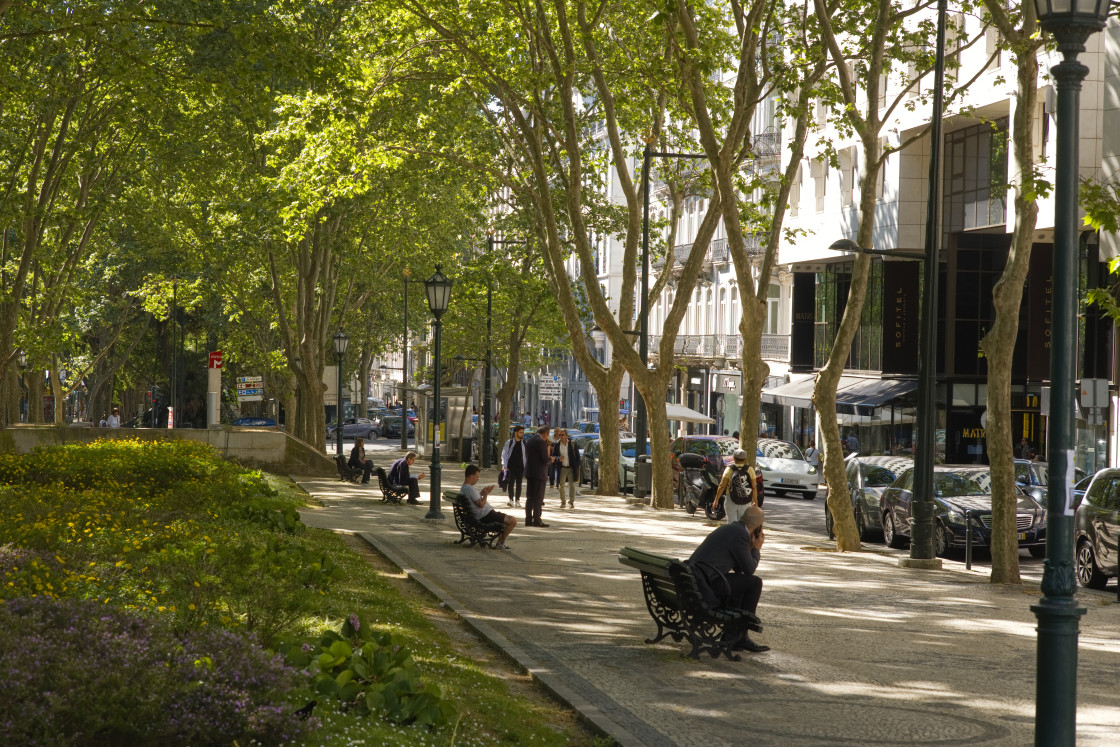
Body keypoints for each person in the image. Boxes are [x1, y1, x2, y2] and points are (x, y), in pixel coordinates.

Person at [687, 504, 769, 653]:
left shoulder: (734, 529)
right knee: (755, 583)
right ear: (758, 526)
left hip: (697, 580)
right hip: (706, 585)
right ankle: (740, 634)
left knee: (741, 583)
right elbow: (749, 570)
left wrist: (749, 548)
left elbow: (740, 569)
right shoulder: (740, 535)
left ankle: (737, 635)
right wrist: (756, 549)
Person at [461, 464, 516, 550]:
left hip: (482, 515)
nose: (477, 478)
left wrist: (481, 494)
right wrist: (486, 495)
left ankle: (500, 542)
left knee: (509, 520)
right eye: (477, 476)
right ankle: (500, 543)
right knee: (513, 521)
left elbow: (474, 501)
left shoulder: (464, 488)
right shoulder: (470, 489)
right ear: (471, 476)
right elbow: (481, 505)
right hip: (486, 516)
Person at [712, 449, 761, 523]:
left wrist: (716, 500)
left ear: (734, 458)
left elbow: (722, 486)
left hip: (731, 499)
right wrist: (755, 502)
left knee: (731, 523)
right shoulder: (750, 470)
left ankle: (732, 534)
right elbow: (754, 487)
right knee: (743, 524)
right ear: (745, 459)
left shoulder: (729, 469)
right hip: (746, 501)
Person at [524, 425, 552, 527]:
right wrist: (551, 459)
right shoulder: (541, 442)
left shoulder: (530, 441)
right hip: (539, 474)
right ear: (545, 433)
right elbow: (544, 459)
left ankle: (528, 519)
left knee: (530, 497)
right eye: (547, 435)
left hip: (530, 472)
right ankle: (537, 519)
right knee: (538, 498)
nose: (547, 437)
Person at [552, 428, 582, 508]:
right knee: (561, 485)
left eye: (562, 435)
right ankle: (563, 502)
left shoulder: (572, 444)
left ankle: (571, 502)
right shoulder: (557, 445)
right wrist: (558, 458)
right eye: (559, 435)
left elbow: (577, 456)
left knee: (572, 485)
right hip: (562, 468)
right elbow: (554, 456)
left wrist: (576, 465)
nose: (560, 436)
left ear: (566, 435)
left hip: (571, 467)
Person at [501, 425, 528, 508]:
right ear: (515, 433)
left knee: (519, 484)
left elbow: (526, 456)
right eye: (520, 432)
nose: (522, 434)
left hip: (520, 467)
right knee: (511, 483)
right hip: (510, 467)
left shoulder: (524, 443)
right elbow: (504, 454)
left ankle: (517, 500)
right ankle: (511, 499)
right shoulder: (509, 443)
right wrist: (504, 466)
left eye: (523, 433)